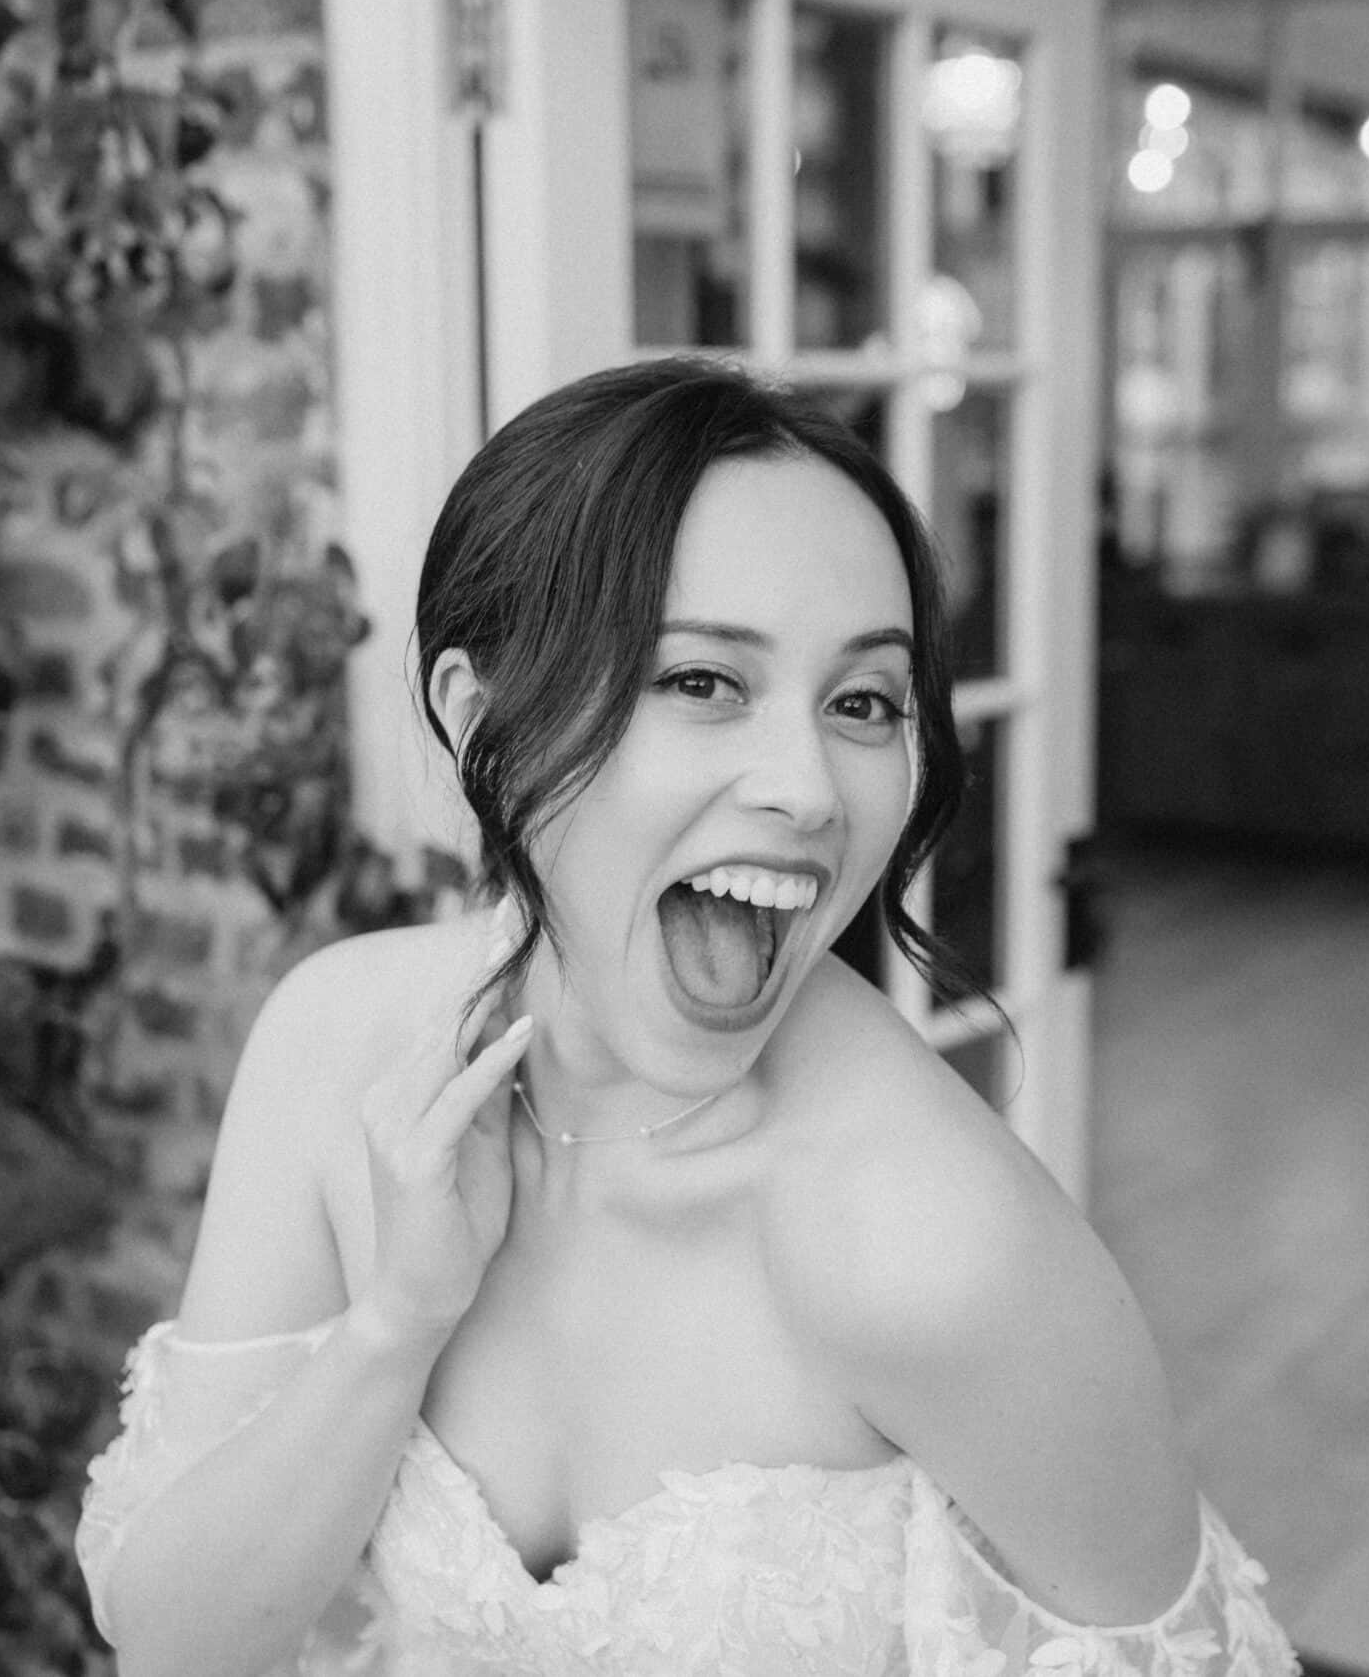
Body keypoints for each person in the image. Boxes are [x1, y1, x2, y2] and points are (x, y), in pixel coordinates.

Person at [75, 359, 1297, 1676]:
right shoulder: (332, 1045)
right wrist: (396, 1324)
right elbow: (171, 1646)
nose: (812, 790)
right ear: (477, 715)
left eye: (864, 702)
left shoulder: (948, 1249)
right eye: (704, 682)